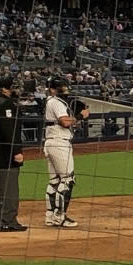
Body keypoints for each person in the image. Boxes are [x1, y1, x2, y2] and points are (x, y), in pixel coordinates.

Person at [0, 75, 27, 231]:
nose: (17, 90)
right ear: (5, 89)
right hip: (5, 153)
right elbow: (9, 131)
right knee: (9, 190)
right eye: (14, 87)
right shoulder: (7, 105)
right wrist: (17, 151)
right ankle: (8, 222)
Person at [43, 76, 87, 228]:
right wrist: (81, 116)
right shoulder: (56, 101)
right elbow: (65, 122)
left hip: (51, 142)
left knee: (54, 181)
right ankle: (60, 216)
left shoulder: (52, 101)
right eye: (61, 86)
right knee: (68, 180)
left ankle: (50, 216)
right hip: (59, 143)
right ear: (53, 89)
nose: (65, 89)